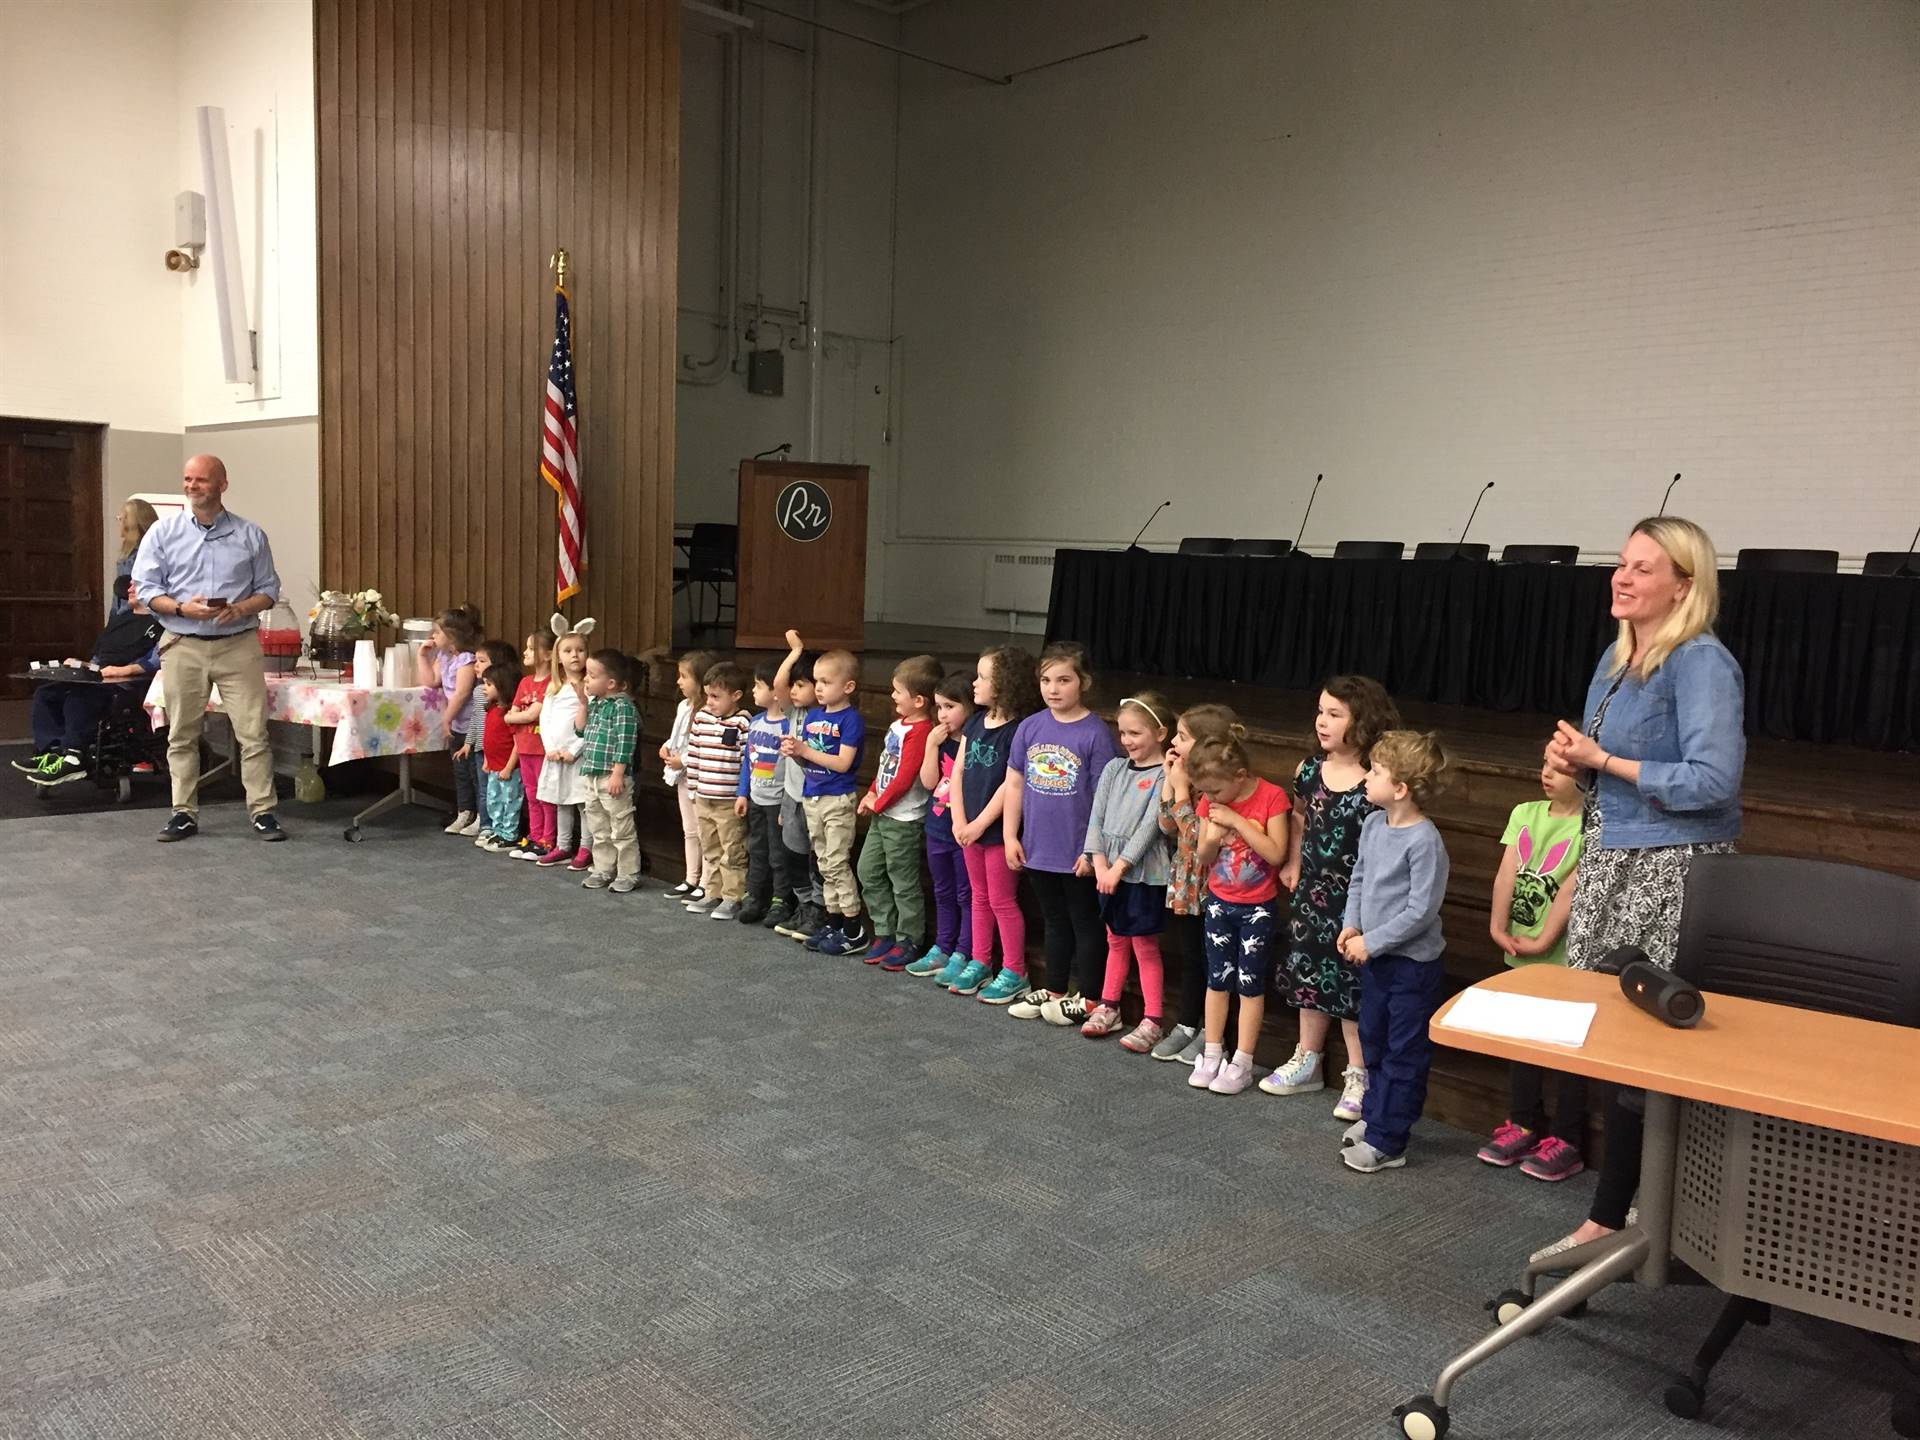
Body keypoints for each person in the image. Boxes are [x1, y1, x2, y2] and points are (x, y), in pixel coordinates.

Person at [1535, 515, 1745, 1259]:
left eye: (1643, 568)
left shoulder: (1701, 663)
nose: (1622, 578)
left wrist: (1608, 763)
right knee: (1612, 1038)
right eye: (1621, 564)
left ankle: (1621, 1214)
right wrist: (1578, 762)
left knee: (1646, 1043)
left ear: (1684, 585)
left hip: (1673, 866)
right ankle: (1617, 1208)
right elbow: (1607, 763)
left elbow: (1715, 781)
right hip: (1611, 853)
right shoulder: (1619, 656)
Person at [1265, 676, 1403, 1119]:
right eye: (1321, 711)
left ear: (1362, 721)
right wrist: (1292, 863)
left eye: (1334, 714)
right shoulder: (1309, 770)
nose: (1322, 721)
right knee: (1310, 972)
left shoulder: (1376, 781)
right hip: (1312, 896)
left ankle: (1358, 1073)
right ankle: (1308, 1058)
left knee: (1349, 985)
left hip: (1356, 901)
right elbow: (1301, 819)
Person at [131, 453, 286, 842]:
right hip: (183, 643)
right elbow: (148, 590)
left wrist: (241, 608)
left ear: (222, 484)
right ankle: (183, 813)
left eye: (200, 480)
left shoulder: (250, 534)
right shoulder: (163, 534)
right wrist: (182, 608)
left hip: (238, 644)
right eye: (187, 479)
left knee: (253, 734)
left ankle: (264, 813)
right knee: (181, 734)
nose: (192, 486)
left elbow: (268, 589)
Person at [1338, 730, 1453, 1173]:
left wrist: (1374, 940)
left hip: (1410, 968)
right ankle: (1375, 1117)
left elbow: (1421, 911)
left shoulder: (1424, 841)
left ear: (1401, 789)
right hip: (1375, 961)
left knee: (1404, 1051)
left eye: (1376, 771)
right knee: (1374, 1042)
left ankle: (1390, 1140)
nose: (1366, 777)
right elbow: (1361, 879)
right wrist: (1352, 925)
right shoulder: (1373, 824)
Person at [1478, 750, 1587, 1181]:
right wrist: (1497, 925)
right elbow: (1507, 874)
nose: (1546, 772)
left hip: (1562, 959)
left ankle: (1567, 1139)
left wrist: (1544, 940)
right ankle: (1523, 1122)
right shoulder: (1525, 812)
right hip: (1520, 952)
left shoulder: (1590, 825)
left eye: (1561, 768)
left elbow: (1571, 888)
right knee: (1522, 1041)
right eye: (1544, 762)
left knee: (1566, 1050)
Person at [1004, 643, 1124, 1026]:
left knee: (1084, 922)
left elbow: (1104, 800)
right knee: (1054, 919)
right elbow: (1015, 783)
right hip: (1039, 846)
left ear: (1083, 682)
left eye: (1064, 680)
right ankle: (1055, 989)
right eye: (1046, 680)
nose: (1053, 688)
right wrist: (1010, 835)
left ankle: (1089, 996)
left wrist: (1093, 851)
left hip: (1078, 852)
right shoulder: (1030, 726)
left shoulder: (1095, 734)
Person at [1184, 733, 1292, 1095]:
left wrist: (1236, 820)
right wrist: (1213, 836)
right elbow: (1204, 856)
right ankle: (1213, 1051)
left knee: (1249, 983)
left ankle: (1243, 1061)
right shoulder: (1210, 803)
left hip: (1257, 907)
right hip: (1219, 900)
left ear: (1241, 775)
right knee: (1217, 979)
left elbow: (1276, 854)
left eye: (1215, 791)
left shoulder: (1271, 797)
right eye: (1204, 792)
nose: (1209, 798)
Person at [1149, 703, 1243, 1063]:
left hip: (1210, 883)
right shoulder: (1184, 778)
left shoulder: (1215, 788)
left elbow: (1194, 838)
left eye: (1182, 737)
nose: (1173, 742)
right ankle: (1187, 1024)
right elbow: (1167, 826)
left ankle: (1211, 1031)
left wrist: (1183, 793)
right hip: (1185, 885)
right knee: (1191, 959)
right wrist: (1169, 787)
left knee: (1212, 962)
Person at [1080, 691, 1173, 1051]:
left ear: (1160, 733)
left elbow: (1151, 827)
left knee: (1145, 945)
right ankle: (1109, 1004)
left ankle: (1153, 1019)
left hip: (1142, 873)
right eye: (1123, 733)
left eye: (1136, 733)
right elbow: (1096, 818)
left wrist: (1119, 866)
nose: (1127, 741)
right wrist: (1099, 860)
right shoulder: (1114, 769)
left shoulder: (1165, 775)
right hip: (1108, 871)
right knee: (1115, 939)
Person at [946, 645, 1037, 1002]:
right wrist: (958, 819)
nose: (974, 683)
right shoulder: (974, 722)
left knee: (1001, 900)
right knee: (979, 896)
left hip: (996, 832)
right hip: (967, 827)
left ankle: (1015, 970)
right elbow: (957, 771)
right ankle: (981, 960)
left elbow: (1009, 786)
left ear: (1005, 684)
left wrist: (980, 824)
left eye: (983, 677)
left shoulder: (1019, 730)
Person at [15, 578, 162, 785]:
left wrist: (124, 670)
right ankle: (53, 752)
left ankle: (74, 756)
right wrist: (82, 665)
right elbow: (99, 659)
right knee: (46, 693)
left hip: (128, 684)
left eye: (135, 585)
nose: (128, 588)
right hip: (100, 678)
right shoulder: (119, 620)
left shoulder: (161, 623)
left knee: (80, 697)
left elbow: (157, 660)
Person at [781, 642, 867, 953]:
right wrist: (795, 754)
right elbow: (810, 760)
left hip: (837, 798)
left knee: (836, 863)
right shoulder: (814, 715)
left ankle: (854, 928)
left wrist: (805, 751)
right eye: (816, 681)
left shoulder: (851, 720)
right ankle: (833, 922)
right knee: (822, 863)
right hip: (812, 795)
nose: (819, 688)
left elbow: (843, 763)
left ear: (848, 686)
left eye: (826, 682)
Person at [856, 655, 941, 969]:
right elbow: (886, 767)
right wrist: (872, 793)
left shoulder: (922, 732)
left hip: (903, 820)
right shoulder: (897, 726)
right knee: (868, 871)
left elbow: (906, 777)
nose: (892, 695)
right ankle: (884, 930)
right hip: (883, 813)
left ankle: (909, 938)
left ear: (918, 700)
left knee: (903, 882)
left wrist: (879, 802)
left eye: (897, 691)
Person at [905, 673, 976, 980]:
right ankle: (942, 947)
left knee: (966, 895)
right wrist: (931, 747)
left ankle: (964, 951)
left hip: (963, 831)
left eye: (950, 706)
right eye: (939, 707)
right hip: (937, 827)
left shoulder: (976, 742)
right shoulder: (940, 739)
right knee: (943, 891)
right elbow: (929, 782)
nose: (942, 714)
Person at [684, 660, 753, 920]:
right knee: (710, 847)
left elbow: (746, 760)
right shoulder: (701, 718)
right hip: (704, 796)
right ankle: (712, 892)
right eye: (707, 695)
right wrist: (693, 788)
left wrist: (742, 794)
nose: (709, 701)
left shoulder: (743, 723)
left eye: (716, 696)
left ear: (735, 696)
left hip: (727, 800)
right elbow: (694, 754)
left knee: (732, 849)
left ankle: (732, 896)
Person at [771, 637, 826, 940]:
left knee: (816, 857)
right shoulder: (795, 713)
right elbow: (779, 684)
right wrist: (795, 654)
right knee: (792, 852)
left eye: (801, 684)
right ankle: (803, 904)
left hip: (817, 797)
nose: (792, 691)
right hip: (792, 797)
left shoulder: (824, 716)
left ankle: (818, 908)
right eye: (795, 685)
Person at [735, 656, 796, 927]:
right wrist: (742, 793)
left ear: (775, 692)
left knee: (778, 852)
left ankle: (780, 899)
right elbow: (748, 761)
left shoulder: (788, 725)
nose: (753, 691)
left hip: (778, 802)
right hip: (757, 798)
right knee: (756, 848)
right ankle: (754, 894)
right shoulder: (756, 722)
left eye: (758, 686)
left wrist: (786, 804)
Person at [576, 649, 641, 893]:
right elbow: (580, 730)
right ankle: (603, 867)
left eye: (592, 675)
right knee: (599, 827)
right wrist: (583, 703)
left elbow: (625, 742)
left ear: (611, 683)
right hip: (592, 775)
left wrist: (617, 773)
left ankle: (628, 872)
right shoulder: (596, 704)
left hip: (612, 776)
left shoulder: (622, 707)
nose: (586, 680)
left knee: (621, 826)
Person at [659, 649, 719, 900]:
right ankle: (690, 877)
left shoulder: (709, 711)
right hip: (682, 776)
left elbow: (703, 744)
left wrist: (681, 759)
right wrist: (667, 746)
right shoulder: (684, 706)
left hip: (700, 776)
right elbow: (679, 737)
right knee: (690, 830)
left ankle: (707, 881)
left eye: (684, 676)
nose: (678, 681)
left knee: (705, 831)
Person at [415, 606, 482, 835]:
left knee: (475, 771)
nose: (433, 637)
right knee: (460, 771)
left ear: (452, 636)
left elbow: (463, 693)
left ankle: (482, 816)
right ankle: (465, 811)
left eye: (437, 633)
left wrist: (446, 719)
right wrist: (422, 656)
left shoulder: (466, 660)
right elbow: (431, 681)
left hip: (472, 725)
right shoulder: (443, 657)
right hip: (456, 725)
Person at [535, 629, 592, 871]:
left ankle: (586, 848)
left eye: (580, 650)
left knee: (583, 803)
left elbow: (590, 723)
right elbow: (545, 720)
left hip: (576, 756)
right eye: (568, 651)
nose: (574, 656)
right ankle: (563, 845)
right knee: (561, 801)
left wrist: (574, 750)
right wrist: (550, 748)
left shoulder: (588, 686)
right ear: (558, 657)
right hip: (556, 755)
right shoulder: (554, 688)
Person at [505, 630, 555, 860]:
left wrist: (518, 716)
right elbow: (512, 713)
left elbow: (530, 714)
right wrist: (518, 716)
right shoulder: (525, 682)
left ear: (547, 655)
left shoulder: (552, 683)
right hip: (524, 746)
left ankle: (548, 839)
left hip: (542, 748)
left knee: (546, 795)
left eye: (531, 648)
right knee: (531, 793)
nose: (525, 652)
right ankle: (534, 836)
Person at [475, 650, 525, 854]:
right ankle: (497, 830)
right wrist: (487, 759)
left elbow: (517, 743)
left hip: (509, 768)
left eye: (489, 684)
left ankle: (510, 834)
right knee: (494, 799)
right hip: (494, 766)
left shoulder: (509, 712)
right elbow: (488, 739)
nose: (484, 688)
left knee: (510, 801)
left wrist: (509, 766)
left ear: (502, 685)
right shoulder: (492, 709)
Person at [111, 499, 160, 616]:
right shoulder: (126, 555)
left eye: (121, 519)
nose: (119, 523)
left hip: (137, 618)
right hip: (122, 616)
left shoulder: (145, 555)